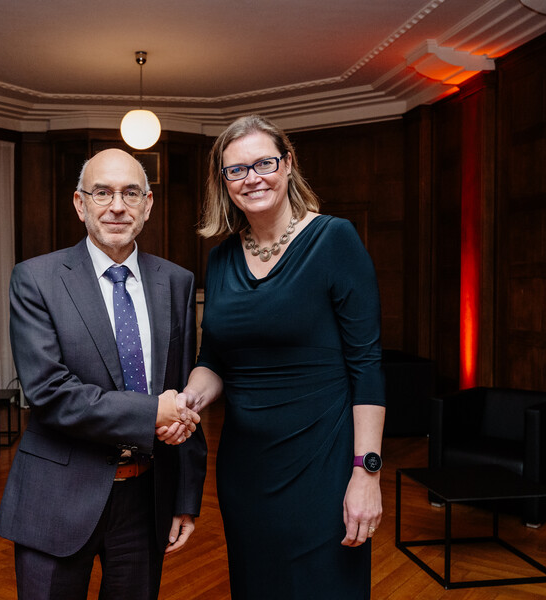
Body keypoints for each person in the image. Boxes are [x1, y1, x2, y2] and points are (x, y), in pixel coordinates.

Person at [177, 114, 386, 599]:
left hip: (324, 466)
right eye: (236, 170)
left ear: (287, 164)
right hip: (246, 471)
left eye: (264, 163)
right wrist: (188, 400)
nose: (252, 178)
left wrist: (366, 472)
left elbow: (367, 364)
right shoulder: (221, 258)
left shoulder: (335, 240)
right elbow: (214, 360)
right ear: (224, 182)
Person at [0, 148, 207, 600]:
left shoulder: (177, 282)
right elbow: (50, 392)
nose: (117, 206)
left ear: (147, 205)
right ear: (80, 203)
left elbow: (184, 390)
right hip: (57, 498)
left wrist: (185, 497)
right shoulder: (36, 279)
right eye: (102, 193)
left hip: (146, 500)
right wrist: (153, 412)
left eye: (131, 193)